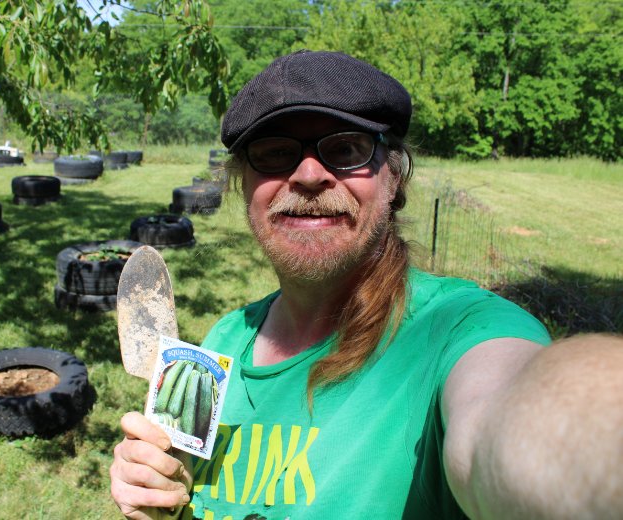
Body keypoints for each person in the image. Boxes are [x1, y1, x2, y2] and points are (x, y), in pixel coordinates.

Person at [109, 50, 623, 519]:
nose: (309, 174)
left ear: (393, 177)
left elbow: (508, 423)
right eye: (273, 152)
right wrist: (160, 495)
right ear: (243, 183)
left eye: (347, 148)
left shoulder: (456, 330)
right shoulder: (223, 339)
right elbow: (183, 493)